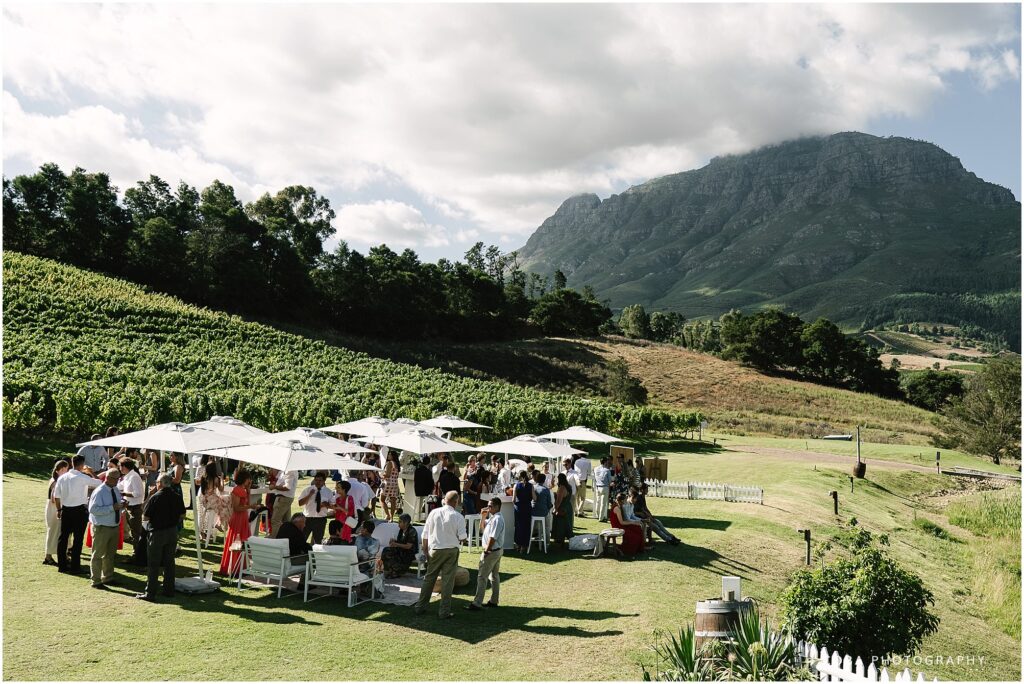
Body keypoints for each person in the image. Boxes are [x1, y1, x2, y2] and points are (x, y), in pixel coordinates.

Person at [415, 490, 467, 618]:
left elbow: (425, 533)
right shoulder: (458, 516)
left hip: (435, 550)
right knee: (448, 581)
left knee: (429, 578)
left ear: (445, 500)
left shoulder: (434, 513)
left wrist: (426, 550)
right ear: (456, 502)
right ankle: (444, 611)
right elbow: (462, 537)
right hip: (451, 550)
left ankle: (420, 607)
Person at [136, 473, 186, 600]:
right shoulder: (177, 496)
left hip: (157, 533)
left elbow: (145, 516)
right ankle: (169, 590)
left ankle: (150, 592)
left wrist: (148, 528)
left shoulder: (155, 497)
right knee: (169, 562)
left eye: (157, 482)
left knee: (154, 563)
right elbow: (182, 515)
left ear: (161, 483)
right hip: (172, 532)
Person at [52, 455, 104, 574]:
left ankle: (62, 565)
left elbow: (57, 496)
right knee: (77, 539)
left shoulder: (62, 477)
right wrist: (91, 472)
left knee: (63, 538)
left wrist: (59, 510)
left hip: (65, 510)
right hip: (79, 511)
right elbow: (100, 483)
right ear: (82, 465)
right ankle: (75, 566)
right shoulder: (83, 477)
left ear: (72, 463)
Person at [88, 468, 124, 589]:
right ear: (108, 478)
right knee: (97, 555)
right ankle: (96, 580)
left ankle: (108, 577)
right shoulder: (100, 491)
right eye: (116, 479)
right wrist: (112, 508)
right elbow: (93, 510)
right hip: (102, 528)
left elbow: (117, 504)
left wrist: (122, 505)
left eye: (119, 478)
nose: (118, 481)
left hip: (113, 527)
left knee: (110, 554)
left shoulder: (115, 489)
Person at [219, 468, 260, 575]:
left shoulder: (243, 490)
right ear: (244, 479)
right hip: (238, 518)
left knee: (243, 542)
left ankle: (241, 566)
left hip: (243, 518)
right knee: (237, 541)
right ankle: (233, 568)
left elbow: (247, 504)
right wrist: (250, 506)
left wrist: (249, 491)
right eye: (248, 480)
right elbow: (237, 508)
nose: (249, 482)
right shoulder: (237, 490)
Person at [467, 497, 504, 610]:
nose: (488, 508)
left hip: (492, 551)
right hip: (496, 551)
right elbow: (482, 528)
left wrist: (487, 550)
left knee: (482, 577)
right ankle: (494, 601)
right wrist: (483, 516)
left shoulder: (497, 519)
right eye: (488, 505)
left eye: (490, 506)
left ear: (497, 507)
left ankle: (477, 603)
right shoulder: (493, 518)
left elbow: (492, 538)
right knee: (494, 576)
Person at [44, 460, 70, 566]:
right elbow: (54, 499)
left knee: (59, 531)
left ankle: (64, 555)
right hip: (54, 508)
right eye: (63, 470)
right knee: (54, 531)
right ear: (58, 470)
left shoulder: (59, 480)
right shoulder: (55, 481)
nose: (65, 472)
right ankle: (48, 556)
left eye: (66, 469)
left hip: (56, 507)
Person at [298, 472, 336, 545]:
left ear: (324, 481)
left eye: (320, 480)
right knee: (302, 538)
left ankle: (315, 554)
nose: (317, 482)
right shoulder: (307, 490)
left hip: (320, 519)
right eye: (316, 480)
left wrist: (326, 504)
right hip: (307, 518)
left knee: (318, 541)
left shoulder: (328, 492)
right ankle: (300, 554)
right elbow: (300, 503)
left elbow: (333, 506)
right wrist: (309, 495)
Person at [117, 456, 145, 550]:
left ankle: (138, 555)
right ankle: (136, 553)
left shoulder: (134, 477)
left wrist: (123, 493)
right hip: (129, 507)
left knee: (136, 533)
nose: (119, 469)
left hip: (135, 508)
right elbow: (118, 487)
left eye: (120, 466)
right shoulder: (127, 476)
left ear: (124, 467)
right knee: (134, 532)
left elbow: (138, 493)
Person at [380, 513, 418, 578]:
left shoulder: (412, 531)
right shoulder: (401, 530)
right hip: (401, 550)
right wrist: (394, 541)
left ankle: (398, 571)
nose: (398, 524)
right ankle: (388, 570)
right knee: (386, 550)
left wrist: (396, 544)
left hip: (408, 553)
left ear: (406, 523)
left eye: (400, 522)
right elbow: (400, 542)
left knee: (390, 553)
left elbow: (408, 546)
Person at [268, 468, 298, 536]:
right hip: (285, 498)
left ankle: (274, 541)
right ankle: (287, 540)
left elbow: (287, 487)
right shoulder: (286, 470)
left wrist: (275, 487)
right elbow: (277, 477)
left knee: (275, 521)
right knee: (286, 522)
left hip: (283, 498)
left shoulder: (290, 470)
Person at [512, 471, 534, 553]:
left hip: (519, 507)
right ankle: (524, 545)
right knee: (526, 527)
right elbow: (534, 498)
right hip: (527, 507)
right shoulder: (530, 485)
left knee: (518, 526)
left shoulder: (516, 485)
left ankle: (518, 544)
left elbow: (513, 499)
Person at [551, 473, 574, 548]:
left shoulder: (562, 488)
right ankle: (565, 541)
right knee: (567, 524)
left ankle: (559, 542)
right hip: (568, 507)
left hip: (562, 508)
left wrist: (555, 508)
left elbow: (559, 500)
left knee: (560, 525)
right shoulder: (569, 486)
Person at [530, 470, 553, 540]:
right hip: (543, 512)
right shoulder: (546, 490)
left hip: (533, 511)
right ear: (544, 481)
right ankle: (547, 541)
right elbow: (549, 504)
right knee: (547, 526)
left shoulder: (533, 487)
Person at [380, 452, 401, 522]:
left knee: (382, 499)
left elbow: (388, 475)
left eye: (389, 454)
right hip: (395, 484)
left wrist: (381, 475)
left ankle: (388, 515)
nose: (388, 455)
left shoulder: (389, 463)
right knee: (393, 501)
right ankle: (392, 517)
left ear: (392, 456)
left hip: (387, 483)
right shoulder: (397, 464)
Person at [592, 457, 612, 522]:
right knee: (603, 504)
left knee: (598, 502)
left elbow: (594, 478)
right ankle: (601, 517)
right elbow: (610, 481)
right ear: (605, 462)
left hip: (598, 486)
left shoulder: (595, 469)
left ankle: (598, 515)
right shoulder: (607, 470)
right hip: (605, 487)